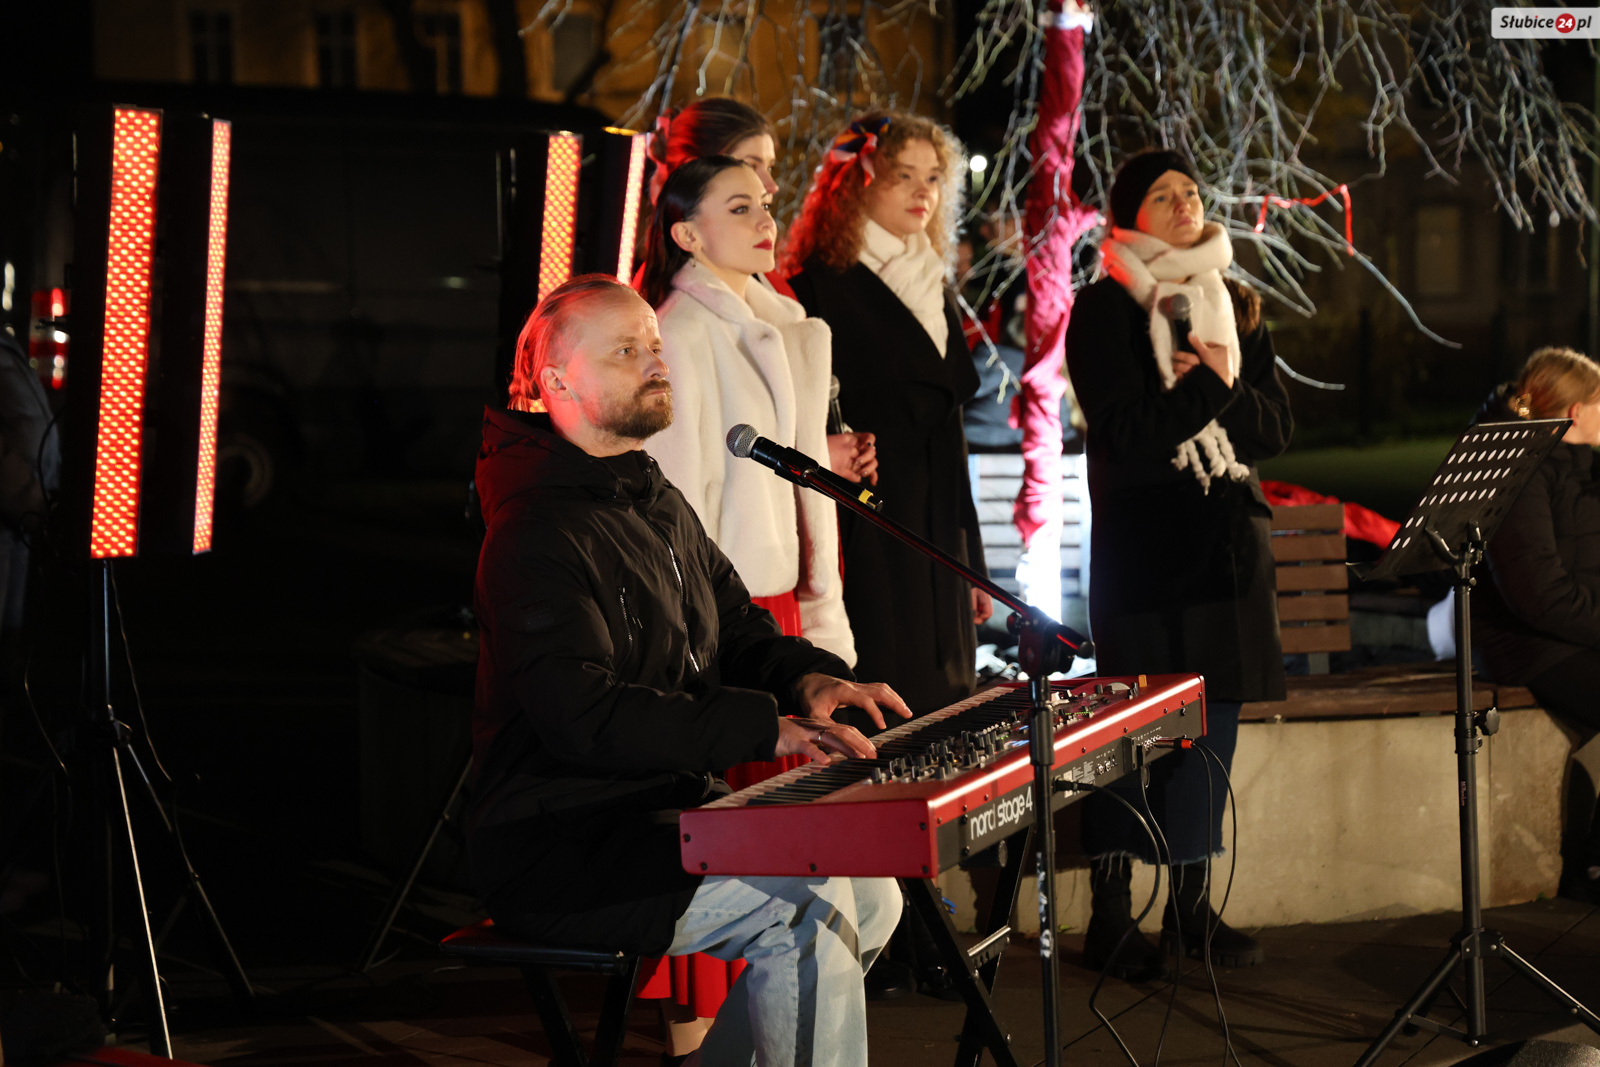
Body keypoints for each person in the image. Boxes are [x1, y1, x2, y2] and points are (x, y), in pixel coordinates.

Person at [468, 274, 907, 1067]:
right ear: (558, 382)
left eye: (654, 345)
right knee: (804, 905)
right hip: (568, 845)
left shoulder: (650, 492)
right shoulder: (534, 530)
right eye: (626, 350)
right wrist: (766, 728)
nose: (655, 361)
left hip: (665, 814)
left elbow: (734, 623)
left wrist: (809, 678)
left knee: (873, 894)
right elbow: (585, 716)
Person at [1064, 148, 1292, 979]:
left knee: (1209, 742)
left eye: (1191, 191)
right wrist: (1209, 389)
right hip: (1148, 560)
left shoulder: (1233, 302)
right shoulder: (1105, 309)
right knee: (1130, 739)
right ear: (1128, 217)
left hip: (1228, 558)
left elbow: (1274, 428)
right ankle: (1112, 917)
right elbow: (1127, 433)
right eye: (1162, 195)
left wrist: (1219, 384)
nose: (1184, 202)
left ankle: (1193, 910)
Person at [783, 111, 992, 717]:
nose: (923, 191)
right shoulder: (815, 287)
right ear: (858, 181)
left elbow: (950, 433)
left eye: (933, 177)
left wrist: (971, 559)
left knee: (948, 707)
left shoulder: (933, 283)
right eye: (904, 174)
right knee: (889, 705)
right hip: (871, 527)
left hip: (939, 531)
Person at [644, 98, 878, 503]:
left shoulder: (774, 296)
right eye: (750, 166)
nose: (769, 189)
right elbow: (687, 482)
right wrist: (814, 460)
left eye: (765, 201)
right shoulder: (671, 329)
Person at [1474, 347, 1600, 896]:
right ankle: (1589, 864)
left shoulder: (1583, 466)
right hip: (1529, 643)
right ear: (1576, 412)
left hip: (1575, 632)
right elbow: (1538, 597)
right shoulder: (1520, 473)